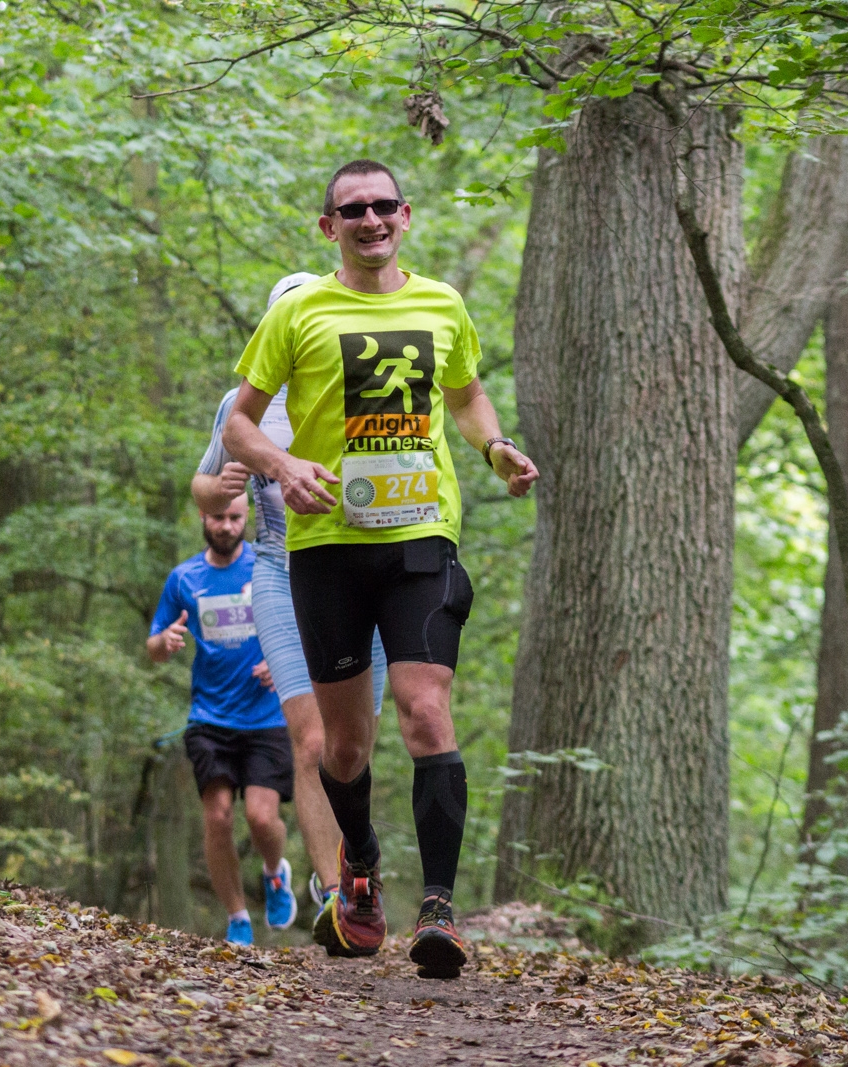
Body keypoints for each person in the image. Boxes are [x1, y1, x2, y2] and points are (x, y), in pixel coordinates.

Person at [222, 159, 539, 978]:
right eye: (352, 210)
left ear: (406, 215)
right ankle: (359, 869)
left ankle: (440, 906)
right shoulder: (298, 312)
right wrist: (284, 467)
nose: (371, 220)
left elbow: (466, 397)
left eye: (384, 207)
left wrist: (495, 446)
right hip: (326, 545)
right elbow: (240, 428)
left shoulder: (443, 303)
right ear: (329, 227)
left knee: (425, 707)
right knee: (345, 745)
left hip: (421, 533)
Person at [191, 272, 390, 949]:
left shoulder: (361, 389)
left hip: (366, 574)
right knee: (309, 742)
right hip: (279, 572)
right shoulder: (242, 404)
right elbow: (203, 482)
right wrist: (219, 485)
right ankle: (338, 897)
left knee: (349, 745)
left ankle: (354, 867)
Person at [147, 494, 298, 945]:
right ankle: (237, 917)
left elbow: (304, 628)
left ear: (246, 516)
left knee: (260, 817)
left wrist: (282, 659)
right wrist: (167, 640)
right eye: (218, 518)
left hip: (267, 718)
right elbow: (153, 647)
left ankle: (274, 872)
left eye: (235, 517)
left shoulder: (268, 569)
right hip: (209, 717)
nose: (227, 526)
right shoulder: (184, 578)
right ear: (203, 517)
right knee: (217, 817)